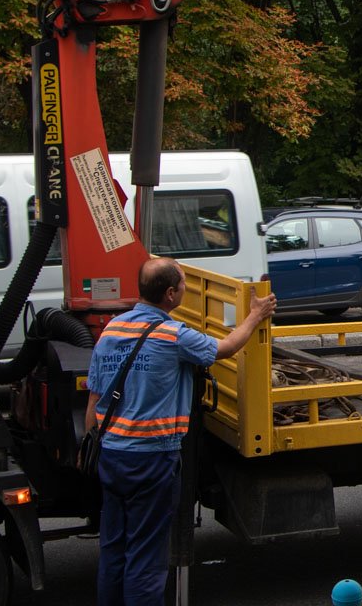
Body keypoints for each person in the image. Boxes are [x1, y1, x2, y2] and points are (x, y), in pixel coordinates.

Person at [86, 257, 277, 606]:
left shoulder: (111, 330)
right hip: (151, 460)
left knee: (114, 549)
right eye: (184, 285)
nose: (186, 290)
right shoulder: (172, 336)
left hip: (111, 455)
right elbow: (224, 349)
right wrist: (255, 314)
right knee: (146, 555)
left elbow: (94, 399)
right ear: (170, 294)